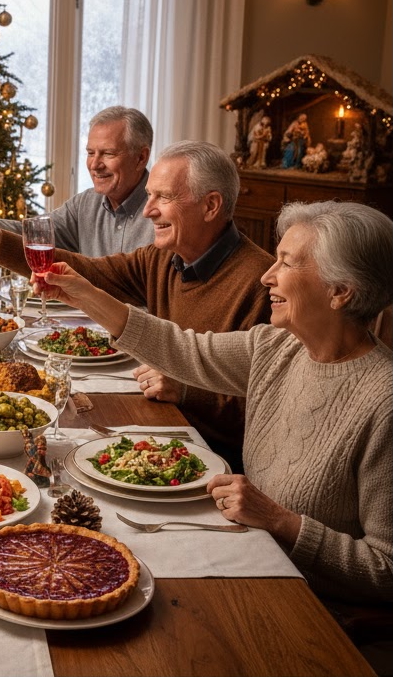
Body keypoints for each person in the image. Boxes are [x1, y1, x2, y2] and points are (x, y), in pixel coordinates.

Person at [39, 200, 393, 604]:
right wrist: (83, 294)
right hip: (248, 553)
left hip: (310, 605)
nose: (267, 276)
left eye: (287, 264)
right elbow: (181, 349)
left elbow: (385, 571)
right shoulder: (279, 347)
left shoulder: (383, 402)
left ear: (341, 291)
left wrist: (282, 521)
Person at [0, 141, 274, 467]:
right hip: (160, 428)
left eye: (164, 197)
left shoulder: (261, 283)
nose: (148, 210)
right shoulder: (162, 259)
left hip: (215, 461)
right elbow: (90, 273)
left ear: (211, 206)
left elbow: (268, 407)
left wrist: (189, 390)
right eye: (149, 195)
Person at [0, 106, 155, 256]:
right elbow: (32, 233)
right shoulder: (84, 204)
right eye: (91, 153)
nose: (95, 165)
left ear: (141, 158)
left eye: (108, 154)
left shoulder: (165, 213)